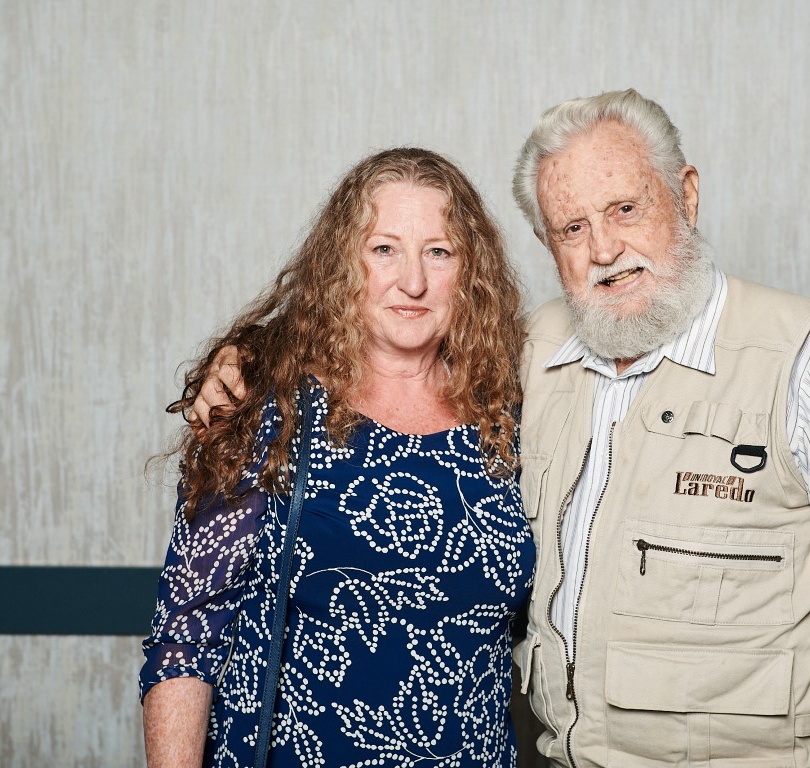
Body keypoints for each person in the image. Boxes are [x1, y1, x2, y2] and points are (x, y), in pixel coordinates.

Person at [196, 90, 810, 768]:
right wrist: (250, 359)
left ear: (686, 195)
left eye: (625, 209)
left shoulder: (804, 357)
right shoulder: (529, 354)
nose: (604, 249)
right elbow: (393, 347)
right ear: (548, 244)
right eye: (572, 228)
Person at [140, 148, 535, 768]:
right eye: (384, 249)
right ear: (342, 264)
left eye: (439, 251)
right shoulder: (266, 405)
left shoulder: (511, 412)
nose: (413, 281)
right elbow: (186, 636)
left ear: (471, 270)